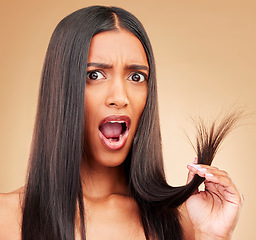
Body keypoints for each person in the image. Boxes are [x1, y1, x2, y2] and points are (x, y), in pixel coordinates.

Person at [0, 6, 243, 240]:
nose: (120, 97)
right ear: (60, 88)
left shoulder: (185, 224)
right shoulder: (5, 217)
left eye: (136, 77)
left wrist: (213, 237)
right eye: (94, 75)